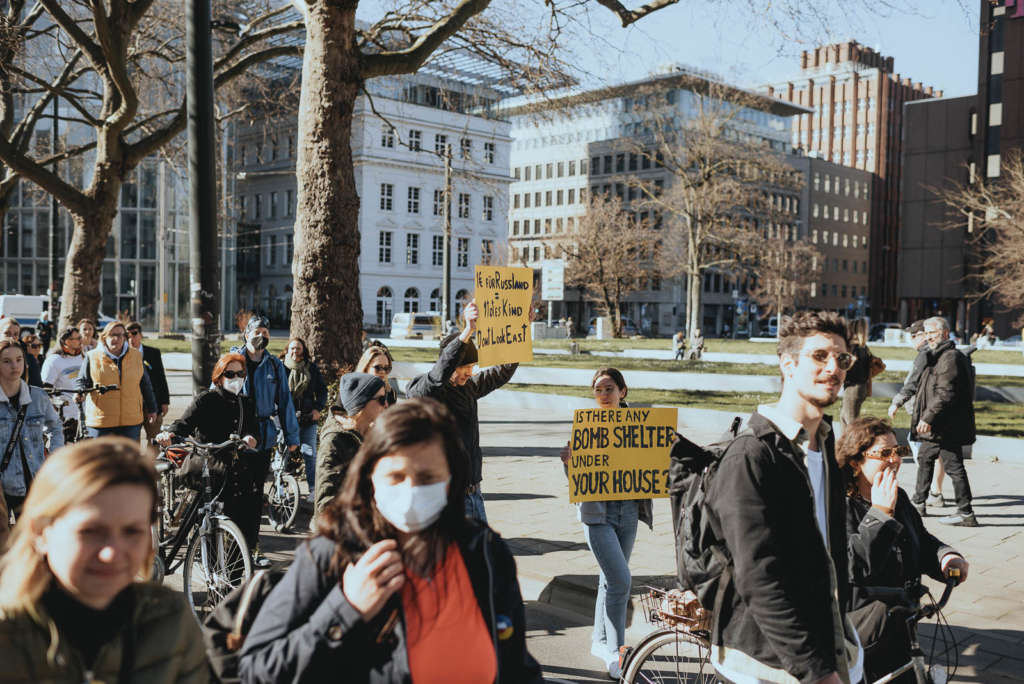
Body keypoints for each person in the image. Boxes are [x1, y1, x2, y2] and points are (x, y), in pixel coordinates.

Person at [238, 398, 543, 684]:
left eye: (427, 478)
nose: (412, 491)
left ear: (451, 479)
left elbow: (516, 666)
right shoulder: (332, 554)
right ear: (371, 476)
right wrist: (346, 609)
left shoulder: (484, 553)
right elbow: (258, 669)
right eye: (397, 476)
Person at [705, 311, 864, 684]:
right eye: (819, 356)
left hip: (825, 646)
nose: (834, 368)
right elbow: (758, 575)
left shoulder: (825, 445)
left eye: (842, 359)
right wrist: (816, 672)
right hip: (767, 664)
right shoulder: (753, 454)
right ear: (788, 365)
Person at [0, 438, 210, 683]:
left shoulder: (170, 618)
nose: (111, 553)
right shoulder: (8, 634)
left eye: (132, 532)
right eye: (90, 531)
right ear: (40, 532)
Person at [837, 416, 969, 683]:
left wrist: (945, 557)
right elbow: (854, 567)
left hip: (901, 621)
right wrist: (880, 513)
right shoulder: (840, 506)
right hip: (863, 630)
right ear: (855, 462)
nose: (895, 459)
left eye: (899, 451)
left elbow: (919, 539)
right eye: (884, 453)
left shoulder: (900, 497)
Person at [559, 368, 651, 679]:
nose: (603, 395)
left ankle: (599, 640)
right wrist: (570, 464)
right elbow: (577, 480)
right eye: (598, 390)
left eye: (609, 389)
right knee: (621, 581)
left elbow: (651, 461)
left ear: (623, 391)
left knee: (609, 579)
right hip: (597, 515)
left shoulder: (640, 424)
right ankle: (617, 653)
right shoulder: (585, 424)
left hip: (628, 513)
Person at [405, 299, 518, 523]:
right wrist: (467, 331)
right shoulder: (426, 390)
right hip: (447, 496)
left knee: (480, 556)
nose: (469, 373)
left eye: (472, 368)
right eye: (464, 367)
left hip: (473, 491)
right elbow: (439, 373)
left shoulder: (469, 388)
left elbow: (501, 373)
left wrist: (520, 334)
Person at [156, 353, 259, 546]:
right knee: (208, 508)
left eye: (240, 373)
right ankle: (200, 545)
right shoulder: (206, 399)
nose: (236, 378)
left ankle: (246, 553)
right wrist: (169, 434)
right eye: (230, 374)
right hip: (205, 462)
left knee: (247, 508)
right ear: (219, 377)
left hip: (234, 464)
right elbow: (183, 424)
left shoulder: (246, 403)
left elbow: (253, 430)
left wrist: (251, 438)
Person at [229, 314, 299, 567]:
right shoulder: (233, 361)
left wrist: (292, 437)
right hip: (235, 435)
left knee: (255, 496)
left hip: (263, 438)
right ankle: (229, 548)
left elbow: (285, 402)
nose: (262, 336)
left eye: (266, 333)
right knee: (235, 495)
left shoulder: (274, 366)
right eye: (257, 331)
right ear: (247, 334)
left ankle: (252, 548)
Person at [911, 316, 978, 527]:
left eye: (934, 334)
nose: (930, 338)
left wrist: (927, 417)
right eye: (927, 334)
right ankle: (919, 503)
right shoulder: (937, 355)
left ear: (945, 334)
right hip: (939, 423)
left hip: (945, 424)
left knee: (954, 466)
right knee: (925, 458)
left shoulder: (949, 357)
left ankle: (966, 513)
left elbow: (945, 393)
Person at [0, 339, 64, 520]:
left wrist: (54, 455)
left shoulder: (37, 396)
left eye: (19, 359)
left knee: (32, 542)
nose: (15, 366)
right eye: (7, 361)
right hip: (3, 487)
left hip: (33, 483)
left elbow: (55, 426)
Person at [887, 320, 949, 504]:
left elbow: (912, 383)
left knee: (925, 452)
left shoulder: (925, 354)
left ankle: (929, 494)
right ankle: (935, 492)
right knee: (937, 452)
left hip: (924, 410)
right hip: (937, 408)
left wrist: (897, 402)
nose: (912, 340)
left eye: (915, 335)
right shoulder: (944, 352)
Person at [313, 372, 388, 518]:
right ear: (362, 403)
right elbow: (326, 505)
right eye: (381, 399)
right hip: (340, 535)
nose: (386, 404)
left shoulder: (369, 434)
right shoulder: (334, 442)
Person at [75, 321, 157, 441]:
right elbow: (82, 381)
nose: (116, 339)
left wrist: (152, 408)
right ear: (104, 337)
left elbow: (145, 384)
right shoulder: (92, 356)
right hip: (101, 422)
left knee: (128, 459)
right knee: (100, 459)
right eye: (112, 335)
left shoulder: (136, 356)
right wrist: (79, 392)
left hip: (130, 421)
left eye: (120, 335)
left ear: (124, 337)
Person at [280, 337, 328, 502]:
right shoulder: (281, 367)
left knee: (310, 454)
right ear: (287, 350)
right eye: (292, 348)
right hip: (286, 418)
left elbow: (322, 391)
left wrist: (317, 408)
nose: (295, 351)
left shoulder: (311, 368)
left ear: (303, 351)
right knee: (282, 454)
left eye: (298, 348)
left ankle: (313, 489)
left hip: (307, 417)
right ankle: (280, 488)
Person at [126, 321, 171, 444]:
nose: (131, 338)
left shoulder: (153, 353)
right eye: (127, 335)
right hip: (132, 405)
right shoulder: (123, 355)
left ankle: (151, 462)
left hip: (153, 403)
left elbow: (160, 377)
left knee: (155, 439)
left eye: (134, 334)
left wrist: (164, 401)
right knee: (132, 440)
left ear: (140, 335)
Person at [41, 326, 86, 442]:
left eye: (79, 338)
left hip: (85, 415)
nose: (78, 341)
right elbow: (46, 389)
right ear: (64, 341)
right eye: (74, 339)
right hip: (65, 417)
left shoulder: (85, 357)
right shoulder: (54, 360)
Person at [841, 318, 883, 426]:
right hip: (861, 387)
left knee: (850, 421)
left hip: (853, 387)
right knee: (845, 417)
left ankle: (853, 442)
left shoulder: (853, 349)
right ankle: (845, 442)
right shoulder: (864, 348)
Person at [0, 317, 43, 387]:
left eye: (16, 334)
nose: (12, 337)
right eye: (7, 333)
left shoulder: (29, 359)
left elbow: (37, 388)